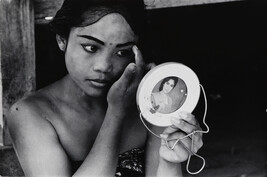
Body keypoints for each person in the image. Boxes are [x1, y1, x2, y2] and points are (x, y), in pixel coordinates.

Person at [7, 0, 203, 176]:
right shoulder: (30, 113)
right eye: (91, 47)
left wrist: (169, 162)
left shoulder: (150, 103)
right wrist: (116, 112)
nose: (103, 66)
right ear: (62, 39)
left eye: (122, 52)